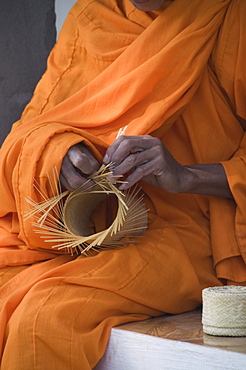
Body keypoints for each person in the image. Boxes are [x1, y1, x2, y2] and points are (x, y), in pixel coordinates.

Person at [0, 0, 245, 368]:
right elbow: (29, 131)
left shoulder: (230, 14)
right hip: (95, 223)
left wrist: (185, 176)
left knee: (45, 318)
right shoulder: (91, 15)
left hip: (191, 227)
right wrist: (60, 155)